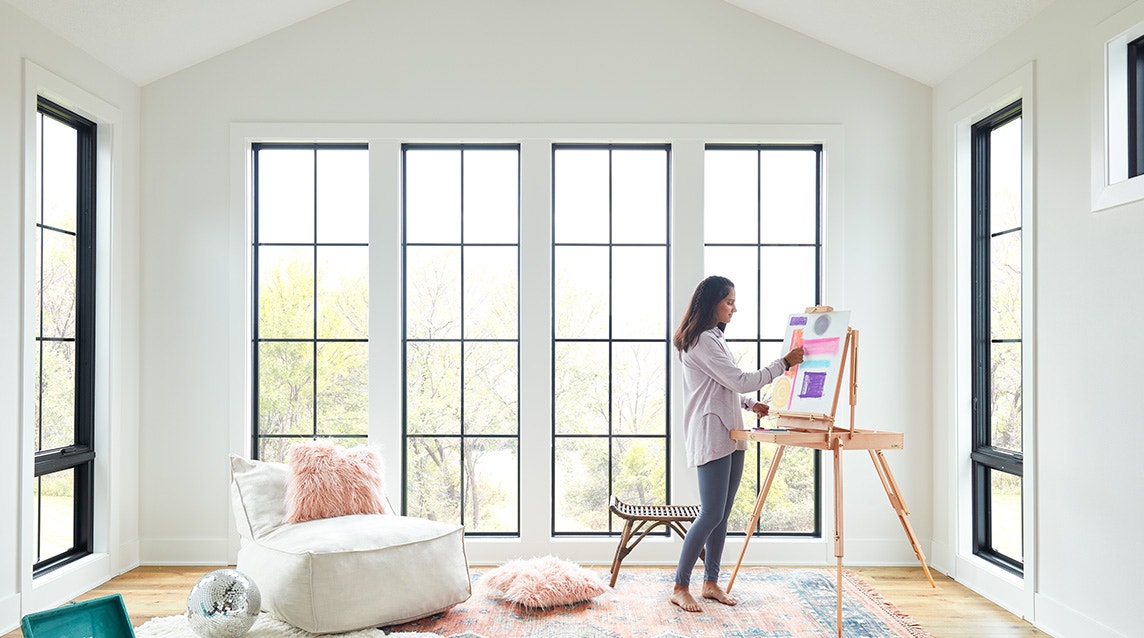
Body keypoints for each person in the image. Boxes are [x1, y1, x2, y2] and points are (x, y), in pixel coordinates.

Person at [669, 275, 804, 612]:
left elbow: (721, 387)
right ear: (711, 302)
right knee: (710, 512)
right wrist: (784, 363)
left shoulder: (713, 338)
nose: (734, 307)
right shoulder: (701, 340)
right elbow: (739, 379)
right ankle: (680, 585)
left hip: (731, 430)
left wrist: (747, 404)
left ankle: (711, 582)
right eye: (729, 301)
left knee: (722, 514)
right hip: (713, 432)